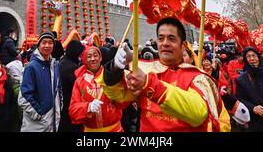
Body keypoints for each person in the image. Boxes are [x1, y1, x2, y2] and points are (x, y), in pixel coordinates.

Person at [97, 17, 230, 132]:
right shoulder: (147, 70)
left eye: (171, 38)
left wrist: (150, 85)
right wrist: (114, 69)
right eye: (161, 38)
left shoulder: (198, 77)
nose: (165, 43)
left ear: (183, 46)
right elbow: (118, 96)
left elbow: (198, 114)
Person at [69, 45, 129, 132]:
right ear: (84, 60)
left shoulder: (110, 75)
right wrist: (88, 107)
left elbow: (124, 103)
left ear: (100, 58)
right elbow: (73, 111)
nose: (93, 59)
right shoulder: (79, 82)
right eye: (89, 56)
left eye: (95, 55)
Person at [18, 31, 62, 132]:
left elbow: (58, 89)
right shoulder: (31, 67)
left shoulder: (55, 65)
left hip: (53, 120)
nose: (47, 45)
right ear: (39, 45)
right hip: (36, 124)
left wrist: (59, 107)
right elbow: (23, 97)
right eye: (44, 42)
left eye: (50, 43)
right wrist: (39, 114)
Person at [235, 46, 263, 132]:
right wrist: (253, 108)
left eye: (254, 55)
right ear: (245, 60)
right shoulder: (241, 80)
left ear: (259, 58)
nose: (252, 58)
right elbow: (239, 99)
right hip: (255, 121)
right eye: (248, 56)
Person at [58, 39, 85, 132]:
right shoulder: (73, 68)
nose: (81, 56)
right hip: (70, 106)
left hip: (61, 106)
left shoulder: (61, 62)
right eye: (80, 53)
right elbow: (80, 90)